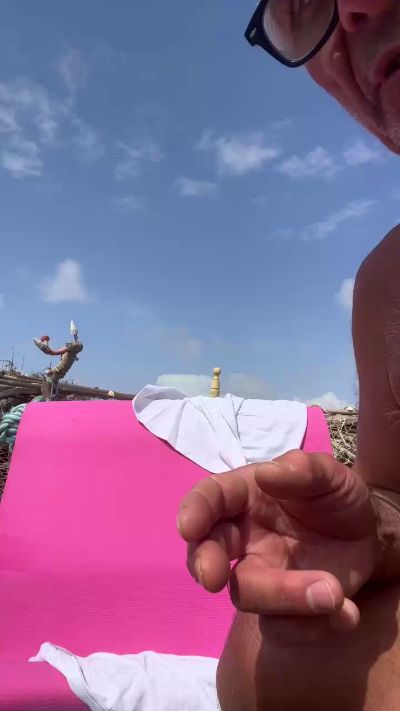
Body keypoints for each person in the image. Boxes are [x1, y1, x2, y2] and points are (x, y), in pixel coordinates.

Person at [177, 2, 400, 708]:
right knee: (262, 652)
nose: (354, 8)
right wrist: (374, 528)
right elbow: (396, 495)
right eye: (304, 4)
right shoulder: (387, 286)